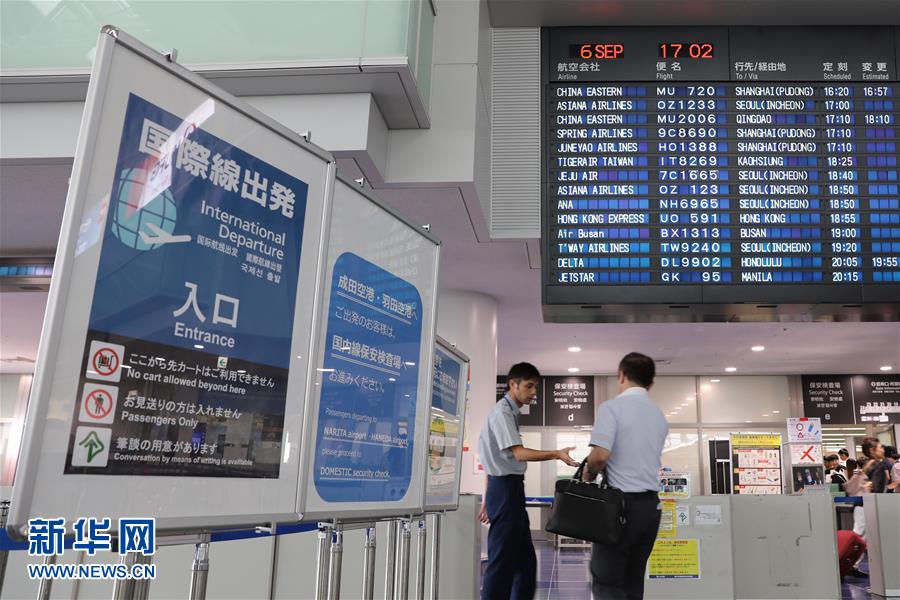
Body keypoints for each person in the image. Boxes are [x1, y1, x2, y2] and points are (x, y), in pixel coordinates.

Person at [478, 362, 578, 600]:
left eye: (536, 386)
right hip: (505, 489)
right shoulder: (502, 412)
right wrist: (556, 453)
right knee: (501, 562)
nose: (534, 392)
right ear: (513, 384)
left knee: (526, 563)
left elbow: (492, 457)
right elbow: (518, 454)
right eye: (530, 386)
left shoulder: (510, 412)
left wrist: (487, 498)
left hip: (505, 488)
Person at [583, 352, 668, 600]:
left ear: (621, 375)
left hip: (620, 508)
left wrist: (588, 473)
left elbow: (599, 456)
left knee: (608, 581)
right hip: (651, 508)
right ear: (650, 383)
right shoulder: (658, 415)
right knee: (633, 582)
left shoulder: (612, 408)